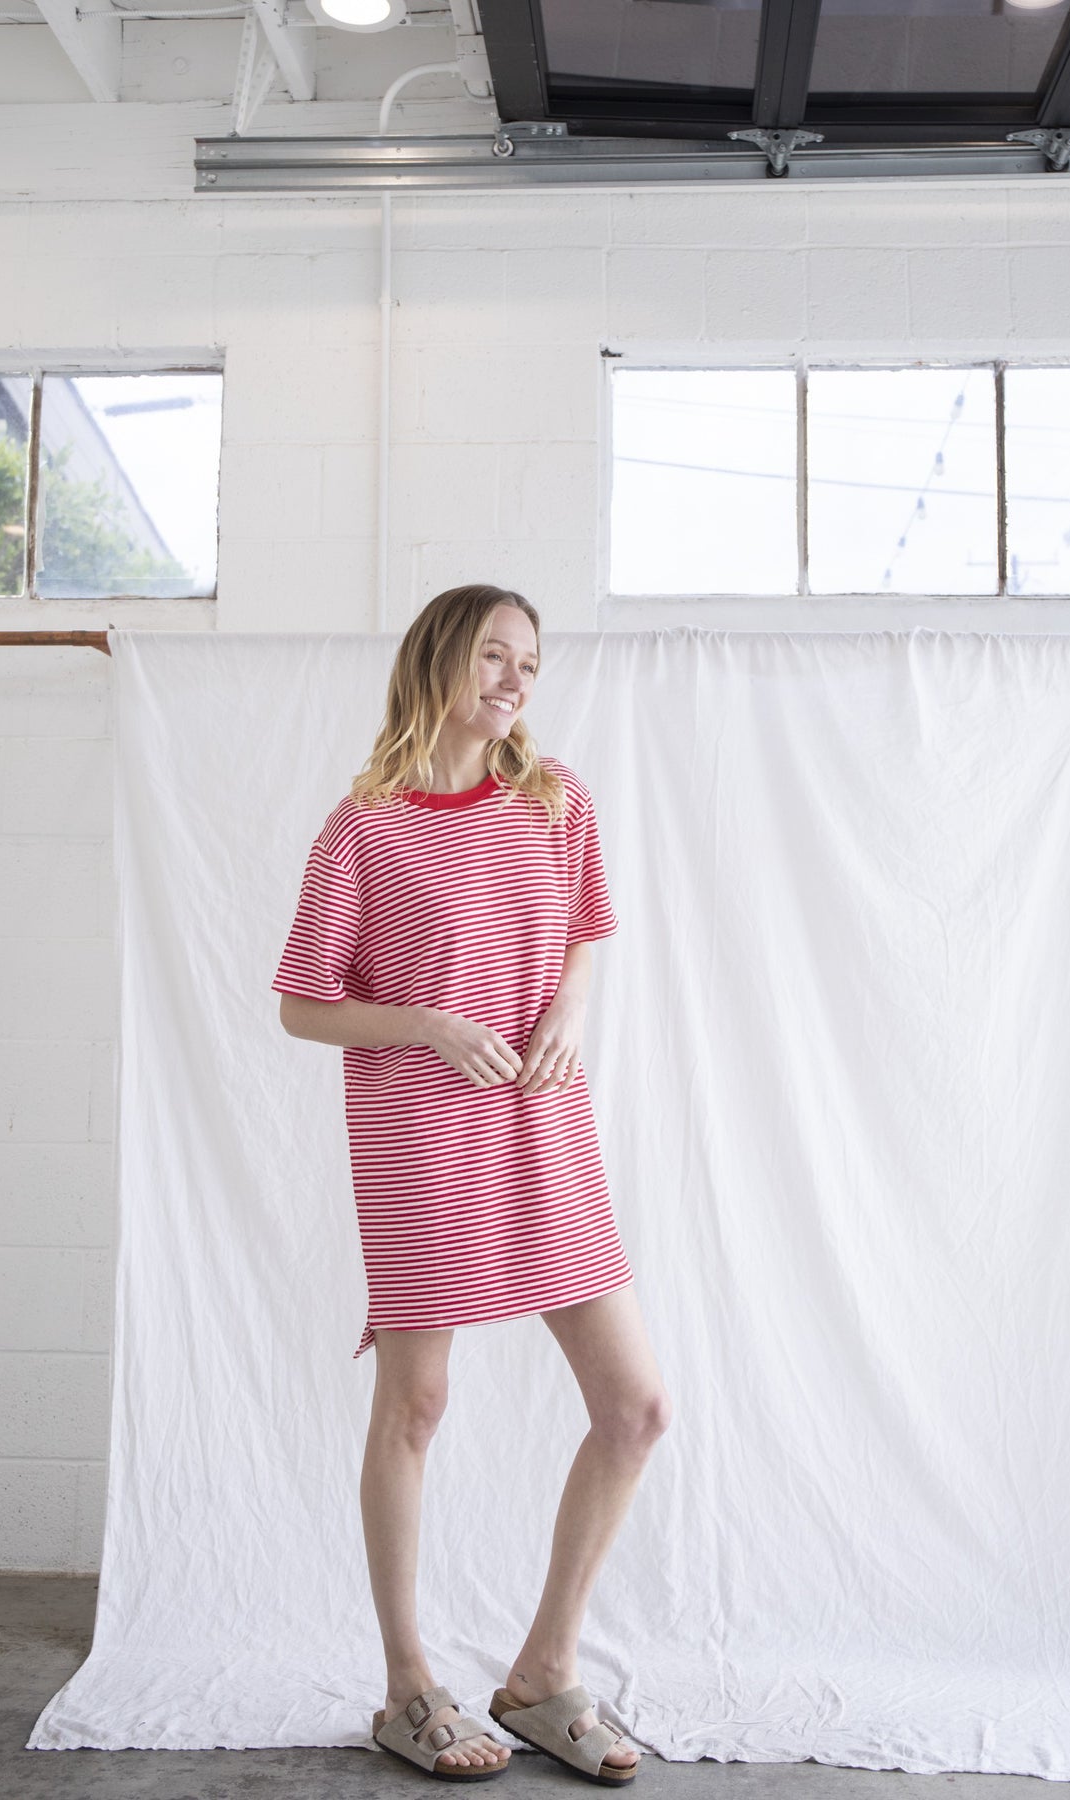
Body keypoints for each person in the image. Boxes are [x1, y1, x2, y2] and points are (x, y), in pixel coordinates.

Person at [271, 583, 672, 1784]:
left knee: (637, 1407)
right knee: (418, 1405)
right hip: (420, 1136)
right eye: (494, 656)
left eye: (531, 665)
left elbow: (589, 929)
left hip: (543, 1125)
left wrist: (568, 1010)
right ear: (439, 660)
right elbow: (299, 1001)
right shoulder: (367, 825)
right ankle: (407, 1689)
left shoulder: (556, 802)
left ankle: (543, 1673)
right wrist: (427, 1026)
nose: (514, 680)